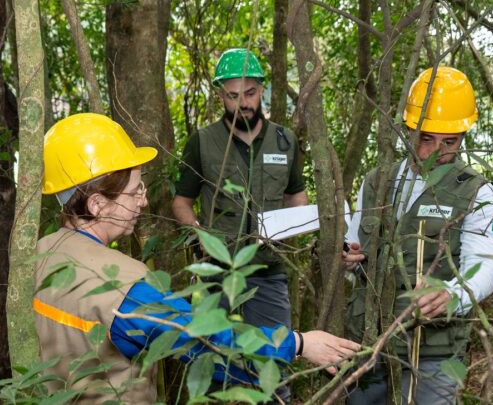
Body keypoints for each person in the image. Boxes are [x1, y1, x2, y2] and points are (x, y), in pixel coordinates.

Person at [34, 113, 360, 404]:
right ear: (97, 205)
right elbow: (206, 344)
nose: (143, 202)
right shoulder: (120, 284)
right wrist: (297, 344)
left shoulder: (40, 254)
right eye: (135, 191)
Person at [342, 66, 493, 404]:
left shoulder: (478, 193)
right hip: (369, 341)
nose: (436, 152)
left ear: (462, 136)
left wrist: (453, 294)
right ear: (408, 130)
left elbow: (484, 267)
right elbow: (354, 243)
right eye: (426, 138)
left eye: (450, 141)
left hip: (434, 350)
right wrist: (349, 256)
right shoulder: (377, 181)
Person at [172, 48, 307, 331]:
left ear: (260, 90)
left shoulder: (285, 141)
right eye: (233, 96)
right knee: (215, 359)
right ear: (221, 96)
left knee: (273, 353)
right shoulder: (203, 142)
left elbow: (296, 194)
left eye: (250, 93)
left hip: (268, 273)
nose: (243, 102)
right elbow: (182, 202)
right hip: (217, 275)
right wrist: (199, 234)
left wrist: (294, 228)